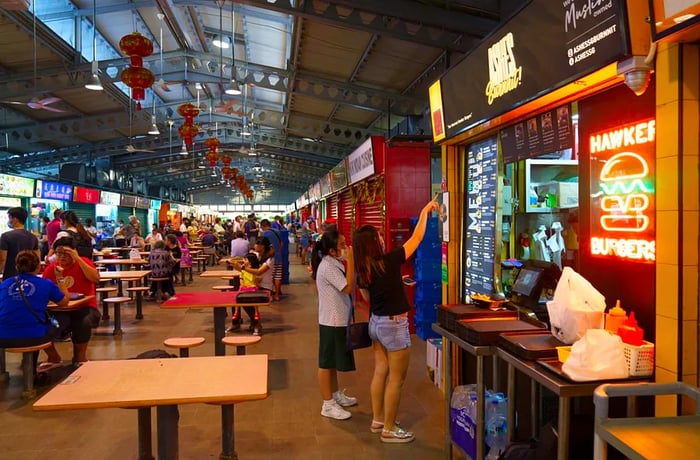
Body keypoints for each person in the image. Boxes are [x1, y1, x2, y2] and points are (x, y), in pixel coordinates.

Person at [353, 199, 438, 444]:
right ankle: (389, 429)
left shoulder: (365, 268)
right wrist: (424, 212)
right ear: (373, 243)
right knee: (397, 380)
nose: (382, 238)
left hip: (376, 325)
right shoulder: (388, 261)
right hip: (394, 326)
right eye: (378, 236)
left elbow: (368, 298)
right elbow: (417, 238)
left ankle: (378, 419)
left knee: (380, 371)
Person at [312, 229, 357, 420]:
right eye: (342, 245)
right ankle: (327, 404)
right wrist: (352, 260)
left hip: (336, 320)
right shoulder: (328, 267)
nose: (346, 248)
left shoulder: (334, 263)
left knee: (332, 362)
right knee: (326, 363)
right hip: (332, 321)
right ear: (332, 251)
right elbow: (347, 288)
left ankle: (335, 394)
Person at [0, 250, 69, 369]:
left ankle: (52, 358)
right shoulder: (45, 284)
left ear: (16, 266)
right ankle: (50, 360)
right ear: (38, 266)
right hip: (33, 337)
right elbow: (64, 301)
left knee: (33, 322)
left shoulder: (5, 283)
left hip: (3, 337)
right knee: (61, 320)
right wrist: (60, 278)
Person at [43, 236, 101, 364]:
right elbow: (44, 291)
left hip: (85, 306)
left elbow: (95, 279)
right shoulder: (51, 269)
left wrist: (78, 259)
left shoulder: (84, 262)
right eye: (59, 253)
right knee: (43, 325)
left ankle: (80, 358)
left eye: (66, 253)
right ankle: (53, 357)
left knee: (83, 322)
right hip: (60, 309)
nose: (62, 257)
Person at [236, 236, 274, 336]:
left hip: (264, 286)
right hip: (253, 285)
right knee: (240, 299)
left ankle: (257, 324)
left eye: (258, 244)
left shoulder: (270, 260)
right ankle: (242, 322)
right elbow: (247, 262)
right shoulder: (256, 255)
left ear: (263, 246)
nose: (255, 245)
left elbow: (258, 272)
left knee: (246, 299)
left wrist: (242, 268)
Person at [0, 207, 40, 280]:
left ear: (15, 219)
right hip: (28, 276)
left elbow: (2, 259)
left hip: (10, 276)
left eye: (9, 218)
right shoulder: (32, 237)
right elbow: (37, 258)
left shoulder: (5, 236)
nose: (9, 221)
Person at [261, 219, 284, 301]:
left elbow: (263, 246)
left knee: (270, 276)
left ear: (263, 226)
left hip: (270, 258)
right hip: (278, 256)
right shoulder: (277, 231)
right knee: (278, 276)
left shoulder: (264, 233)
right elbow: (281, 244)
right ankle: (277, 295)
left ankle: (270, 295)